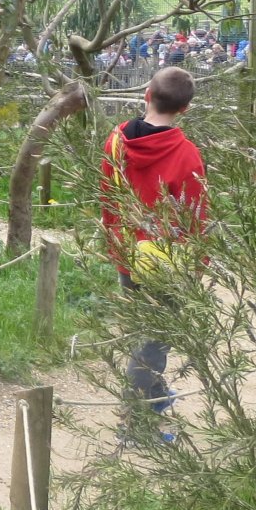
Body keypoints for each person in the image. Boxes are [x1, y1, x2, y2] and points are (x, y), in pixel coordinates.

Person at [99, 66, 209, 443]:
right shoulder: (187, 155)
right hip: (167, 262)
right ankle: (134, 422)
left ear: (147, 93)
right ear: (186, 108)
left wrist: (116, 243)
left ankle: (156, 401)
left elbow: (108, 200)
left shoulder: (115, 141)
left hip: (128, 252)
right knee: (154, 341)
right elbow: (196, 217)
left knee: (143, 334)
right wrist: (198, 267)